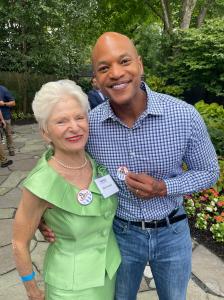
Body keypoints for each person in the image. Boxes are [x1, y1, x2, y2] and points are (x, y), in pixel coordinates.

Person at [40, 32, 219, 300]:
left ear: (140, 64)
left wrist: (164, 187)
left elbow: (209, 172)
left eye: (124, 61)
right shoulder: (90, 126)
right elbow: (64, 168)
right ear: (97, 79)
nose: (115, 73)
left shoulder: (183, 116)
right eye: (104, 68)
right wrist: (45, 213)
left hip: (173, 232)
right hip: (120, 234)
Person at [12, 80, 121, 300]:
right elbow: (18, 243)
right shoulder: (41, 184)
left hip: (109, 273)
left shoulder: (95, 162)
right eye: (61, 121)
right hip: (71, 288)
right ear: (45, 132)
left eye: (79, 117)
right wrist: (32, 290)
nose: (74, 127)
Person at [0, 84, 16, 156]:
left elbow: (13, 103)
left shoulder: (3, 89)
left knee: (8, 134)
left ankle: (11, 149)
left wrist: (4, 104)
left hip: (5, 117)